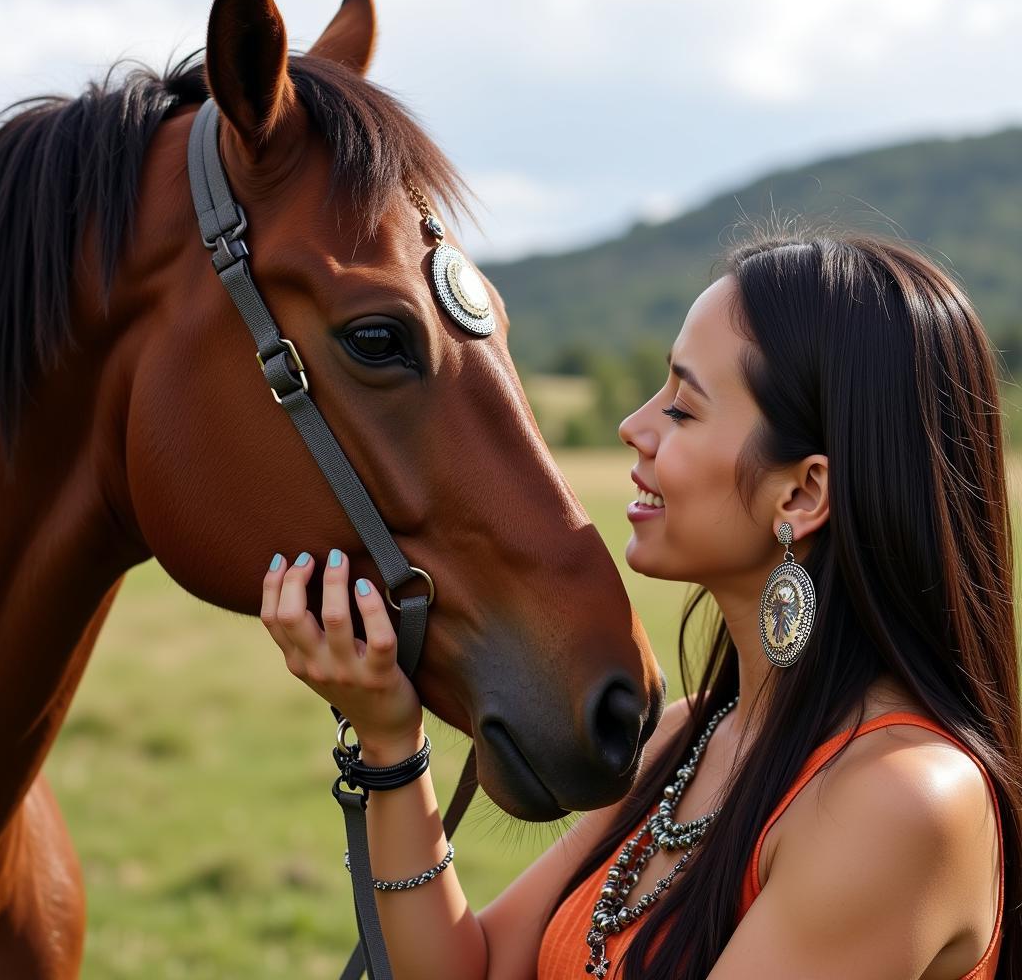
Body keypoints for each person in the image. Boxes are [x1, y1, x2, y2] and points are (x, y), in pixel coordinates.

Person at [258, 229, 1018, 980]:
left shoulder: (901, 803)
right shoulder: (691, 733)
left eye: (683, 409)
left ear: (802, 491)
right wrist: (390, 739)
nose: (634, 427)